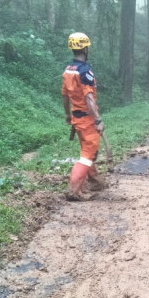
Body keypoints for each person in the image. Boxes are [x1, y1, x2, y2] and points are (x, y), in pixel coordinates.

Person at [62, 32, 107, 201]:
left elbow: (65, 96)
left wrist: (68, 115)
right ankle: (74, 191)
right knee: (89, 155)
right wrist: (98, 120)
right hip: (87, 119)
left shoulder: (68, 70)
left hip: (76, 118)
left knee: (86, 151)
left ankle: (95, 180)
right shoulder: (85, 71)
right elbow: (89, 98)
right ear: (86, 48)